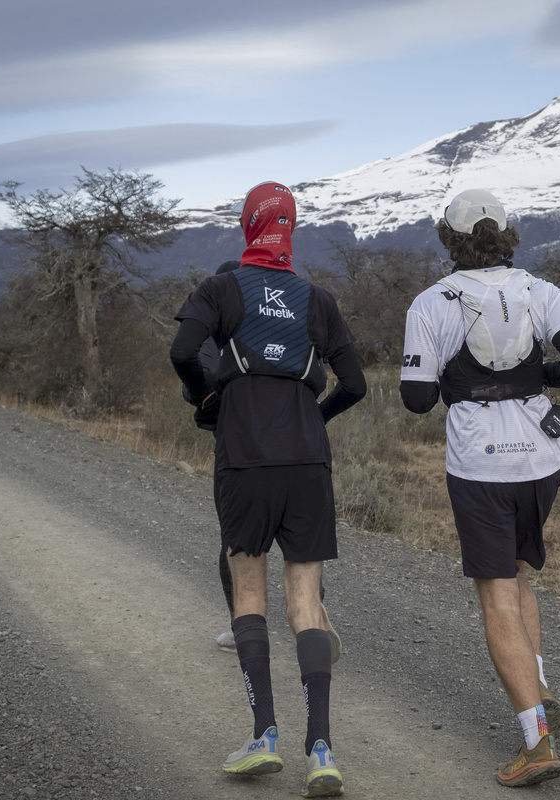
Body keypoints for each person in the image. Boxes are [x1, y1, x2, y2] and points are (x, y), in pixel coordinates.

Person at [170, 181, 365, 797]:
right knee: (306, 602)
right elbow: (356, 384)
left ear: (248, 225)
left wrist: (209, 398)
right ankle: (323, 752)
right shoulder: (318, 299)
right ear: (292, 228)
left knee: (248, 593)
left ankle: (264, 737)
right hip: (308, 462)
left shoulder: (221, 288)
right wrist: (314, 419)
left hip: (245, 459)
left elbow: (183, 350)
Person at [399, 189, 560, 787]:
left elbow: (416, 398)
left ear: (449, 239)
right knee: (514, 572)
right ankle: (541, 692)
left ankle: (536, 744)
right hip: (543, 456)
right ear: (508, 234)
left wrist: (453, 383)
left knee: (495, 596)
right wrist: (537, 377)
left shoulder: (432, 302)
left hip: (480, 463)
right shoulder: (541, 290)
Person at [194, 260, 343, 664]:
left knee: (236, 543)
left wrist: (211, 405)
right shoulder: (287, 312)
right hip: (300, 443)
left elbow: (196, 371)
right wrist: (315, 417)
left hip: (241, 449)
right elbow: (341, 376)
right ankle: (313, 615)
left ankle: (241, 627)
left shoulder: (216, 319)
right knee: (303, 549)